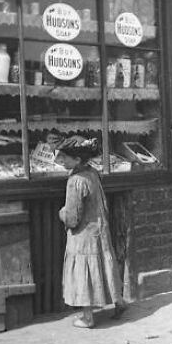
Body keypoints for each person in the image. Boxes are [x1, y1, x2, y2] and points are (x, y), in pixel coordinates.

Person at [55, 136, 127, 328]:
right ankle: (119, 302)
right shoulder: (92, 173)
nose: (61, 161)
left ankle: (87, 318)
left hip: (84, 235)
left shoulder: (75, 181)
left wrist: (61, 213)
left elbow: (72, 217)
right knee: (105, 266)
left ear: (77, 160)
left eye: (65, 158)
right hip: (99, 229)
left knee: (83, 272)